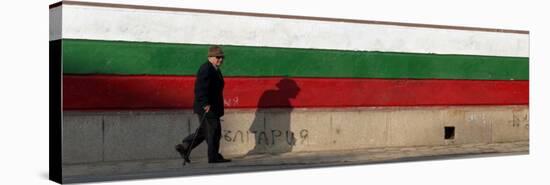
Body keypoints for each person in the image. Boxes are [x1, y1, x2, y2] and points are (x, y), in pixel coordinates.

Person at [175, 45, 231, 164]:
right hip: (207, 107)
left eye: (222, 57)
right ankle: (213, 157)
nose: (220, 59)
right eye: (218, 57)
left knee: (204, 131)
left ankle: (185, 146)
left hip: (213, 107)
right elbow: (200, 88)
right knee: (213, 132)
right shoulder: (206, 68)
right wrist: (205, 103)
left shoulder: (215, 69)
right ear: (210, 57)